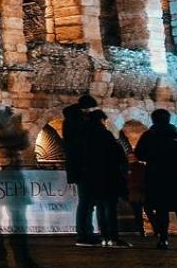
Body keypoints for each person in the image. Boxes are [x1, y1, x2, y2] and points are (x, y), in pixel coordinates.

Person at [134, 108, 177, 250]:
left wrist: (154, 157)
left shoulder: (149, 136)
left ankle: (163, 239)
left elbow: (139, 154)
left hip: (157, 177)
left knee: (161, 210)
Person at [79, 110, 130, 247]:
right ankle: (113, 236)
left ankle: (104, 236)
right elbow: (117, 153)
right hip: (108, 174)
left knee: (100, 206)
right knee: (110, 207)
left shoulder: (85, 136)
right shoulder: (104, 134)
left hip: (93, 176)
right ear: (101, 120)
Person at [61, 94, 98, 246]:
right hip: (83, 166)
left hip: (79, 166)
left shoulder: (71, 120)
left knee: (86, 202)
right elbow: (79, 143)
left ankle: (86, 232)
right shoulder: (78, 122)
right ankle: (84, 233)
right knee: (86, 201)